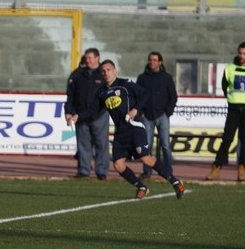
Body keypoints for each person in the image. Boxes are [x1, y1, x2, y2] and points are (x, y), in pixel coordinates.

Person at [97, 59, 185, 200]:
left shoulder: (125, 84)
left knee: (146, 158)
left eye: (108, 70)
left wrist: (135, 110)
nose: (106, 73)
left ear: (115, 71)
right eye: (103, 71)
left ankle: (175, 182)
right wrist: (77, 115)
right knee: (118, 165)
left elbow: (145, 94)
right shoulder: (102, 91)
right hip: (120, 132)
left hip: (134, 127)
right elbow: (93, 110)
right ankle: (141, 187)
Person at [206, 41, 245, 182]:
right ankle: (216, 167)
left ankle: (242, 169)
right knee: (227, 139)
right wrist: (232, 99)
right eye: (240, 53)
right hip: (234, 109)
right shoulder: (230, 68)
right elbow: (225, 86)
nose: (242, 56)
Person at [65, 48, 109, 180]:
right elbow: (70, 95)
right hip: (80, 115)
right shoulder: (78, 74)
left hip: (99, 115)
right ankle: (84, 171)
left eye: (90, 58)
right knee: (83, 144)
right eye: (86, 58)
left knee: (101, 144)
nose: (87, 60)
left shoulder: (104, 74)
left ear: (97, 58)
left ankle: (101, 172)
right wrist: (68, 111)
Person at [136, 51, 178, 179]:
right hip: (147, 116)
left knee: (165, 144)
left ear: (160, 62)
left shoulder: (167, 78)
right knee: (147, 145)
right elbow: (136, 96)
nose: (152, 62)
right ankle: (147, 171)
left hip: (162, 116)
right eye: (150, 60)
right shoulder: (142, 78)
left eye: (155, 60)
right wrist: (141, 112)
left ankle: (168, 170)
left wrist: (168, 112)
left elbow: (173, 96)